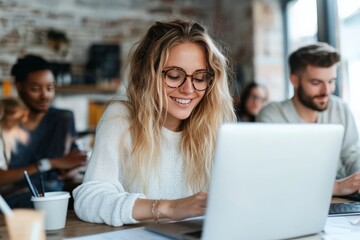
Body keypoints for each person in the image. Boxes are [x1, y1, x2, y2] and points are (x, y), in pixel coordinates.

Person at [73, 19, 236, 226]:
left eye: (200, 77)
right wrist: (169, 208)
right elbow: (89, 200)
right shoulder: (121, 117)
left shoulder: (215, 122)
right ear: (147, 75)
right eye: (175, 75)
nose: (188, 89)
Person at [257, 42, 360, 196]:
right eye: (316, 83)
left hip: (343, 201)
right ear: (294, 81)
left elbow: (353, 156)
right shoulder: (272, 116)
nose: (326, 91)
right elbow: (275, 178)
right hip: (293, 201)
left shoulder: (341, 109)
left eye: (331, 81)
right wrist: (336, 188)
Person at [0, 54, 86, 208]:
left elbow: (73, 161)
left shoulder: (63, 119)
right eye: (35, 89)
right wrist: (48, 163)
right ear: (19, 87)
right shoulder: (5, 125)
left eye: (50, 88)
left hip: (54, 198)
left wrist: (71, 170)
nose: (45, 95)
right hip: (15, 202)